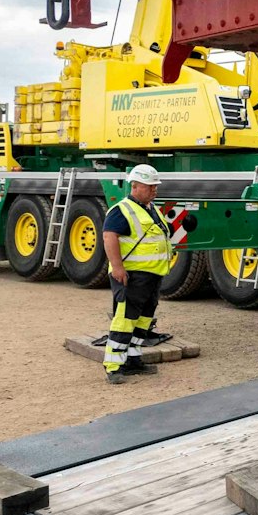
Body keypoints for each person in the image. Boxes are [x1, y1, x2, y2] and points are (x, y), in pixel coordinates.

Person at [101, 164, 177, 384]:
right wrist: (117, 267)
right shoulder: (121, 210)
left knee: (143, 319)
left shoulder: (151, 209)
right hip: (132, 276)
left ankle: (133, 360)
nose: (154, 190)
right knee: (125, 320)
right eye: (150, 186)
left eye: (155, 186)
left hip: (152, 276)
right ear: (135, 186)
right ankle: (114, 366)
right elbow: (109, 237)